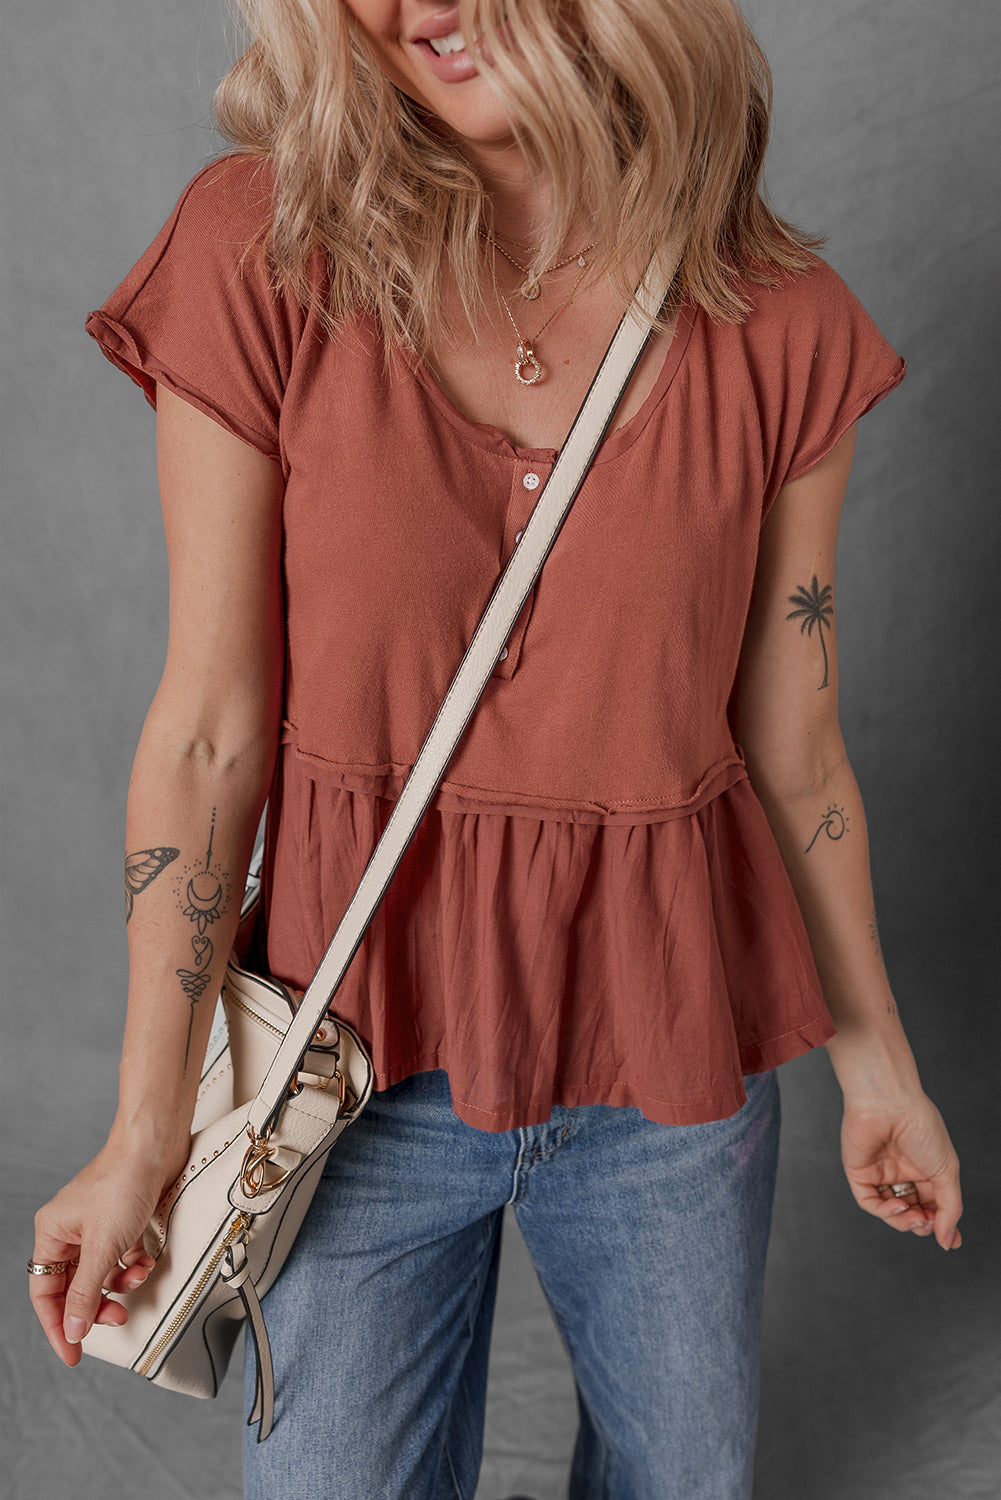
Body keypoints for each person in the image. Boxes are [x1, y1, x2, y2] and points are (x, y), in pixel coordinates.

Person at [30, 1, 964, 1496]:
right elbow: (208, 733)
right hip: (348, 1067)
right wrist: (147, 1130)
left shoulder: (776, 322)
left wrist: (880, 1074)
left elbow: (793, 752)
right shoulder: (265, 247)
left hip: (668, 1078)